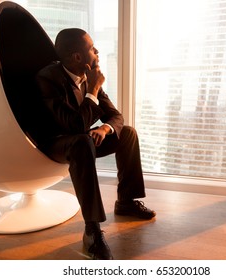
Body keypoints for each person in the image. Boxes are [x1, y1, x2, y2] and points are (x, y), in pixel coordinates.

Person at [35, 28, 156, 260]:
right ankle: (92, 230)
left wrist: (104, 128)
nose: (97, 51)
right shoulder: (47, 79)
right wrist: (93, 89)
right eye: (92, 48)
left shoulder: (87, 76)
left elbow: (117, 116)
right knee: (82, 141)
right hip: (55, 142)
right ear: (77, 56)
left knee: (127, 133)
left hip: (80, 138)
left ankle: (127, 201)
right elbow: (73, 126)